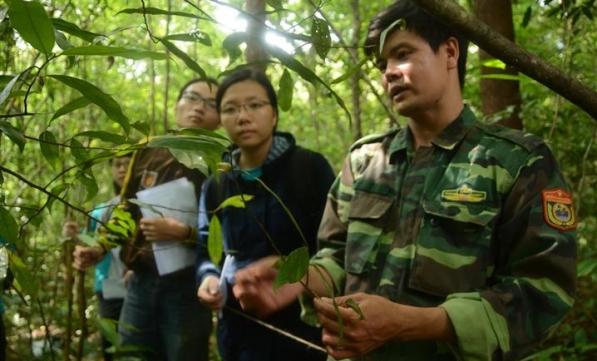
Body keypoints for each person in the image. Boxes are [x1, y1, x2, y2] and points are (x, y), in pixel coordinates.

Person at [230, 1, 578, 360]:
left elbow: (543, 294)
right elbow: (337, 258)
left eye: (402, 55)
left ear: (449, 51)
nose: (389, 73)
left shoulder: (517, 162)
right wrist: (295, 278)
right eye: (382, 65)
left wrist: (410, 322)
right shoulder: (364, 160)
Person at [195, 69, 334, 361]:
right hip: (238, 329)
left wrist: (296, 273)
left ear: (274, 114)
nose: (243, 117)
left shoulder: (309, 168)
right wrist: (208, 279)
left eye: (255, 105)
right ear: (221, 119)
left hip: (303, 330)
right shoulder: (217, 184)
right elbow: (207, 248)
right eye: (230, 109)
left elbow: (336, 249)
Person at [99, 78, 220, 361]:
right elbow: (126, 210)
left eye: (211, 104)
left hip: (189, 289)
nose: (199, 108)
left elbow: (228, 230)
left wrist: (185, 233)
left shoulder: (222, 162)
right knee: (131, 353)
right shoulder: (147, 151)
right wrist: (100, 245)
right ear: (177, 104)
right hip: (140, 282)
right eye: (192, 98)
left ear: (220, 118)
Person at [63, 153, 132, 361]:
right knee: (110, 345)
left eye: (127, 165)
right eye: (118, 164)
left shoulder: (148, 204)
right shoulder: (102, 210)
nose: (121, 169)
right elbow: (91, 245)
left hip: (141, 284)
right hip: (109, 287)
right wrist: (75, 236)